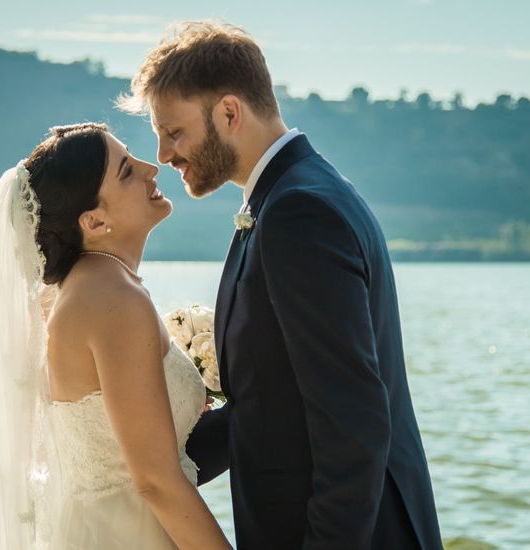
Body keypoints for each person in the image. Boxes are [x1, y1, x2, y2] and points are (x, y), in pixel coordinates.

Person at [120, 21, 444, 549]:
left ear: (229, 113)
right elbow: (270, 406)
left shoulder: (299, 212)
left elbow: (354, 424)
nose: (163, 155)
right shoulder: (294, 195)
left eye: (174, 132)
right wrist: (149, 467)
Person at [0, 123, 231, 550]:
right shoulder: (111, 298)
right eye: (127, 171)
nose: (152, 168)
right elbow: (154, 481)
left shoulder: (80, 288)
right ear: (93, 220)